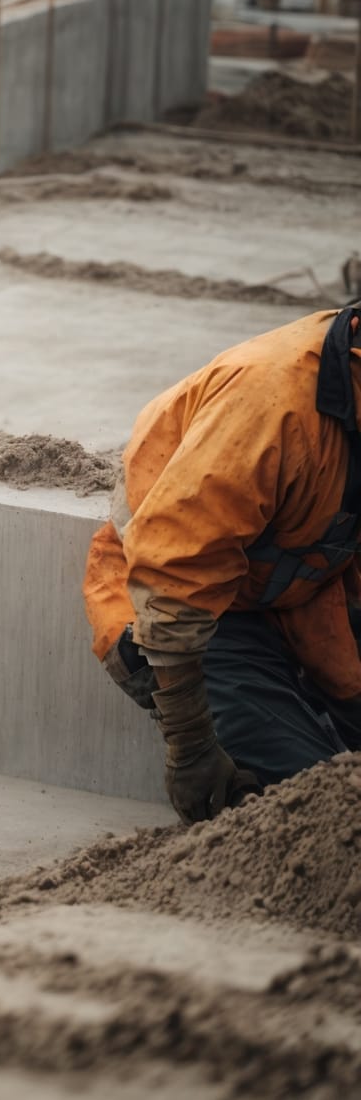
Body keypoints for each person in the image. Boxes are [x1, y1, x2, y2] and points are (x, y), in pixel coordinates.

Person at [84, 307, 361, 823]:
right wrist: (190, 746)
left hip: (305, 594)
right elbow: (174, 578)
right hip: (191, 618)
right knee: (318, 807)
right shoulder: (271, 403)